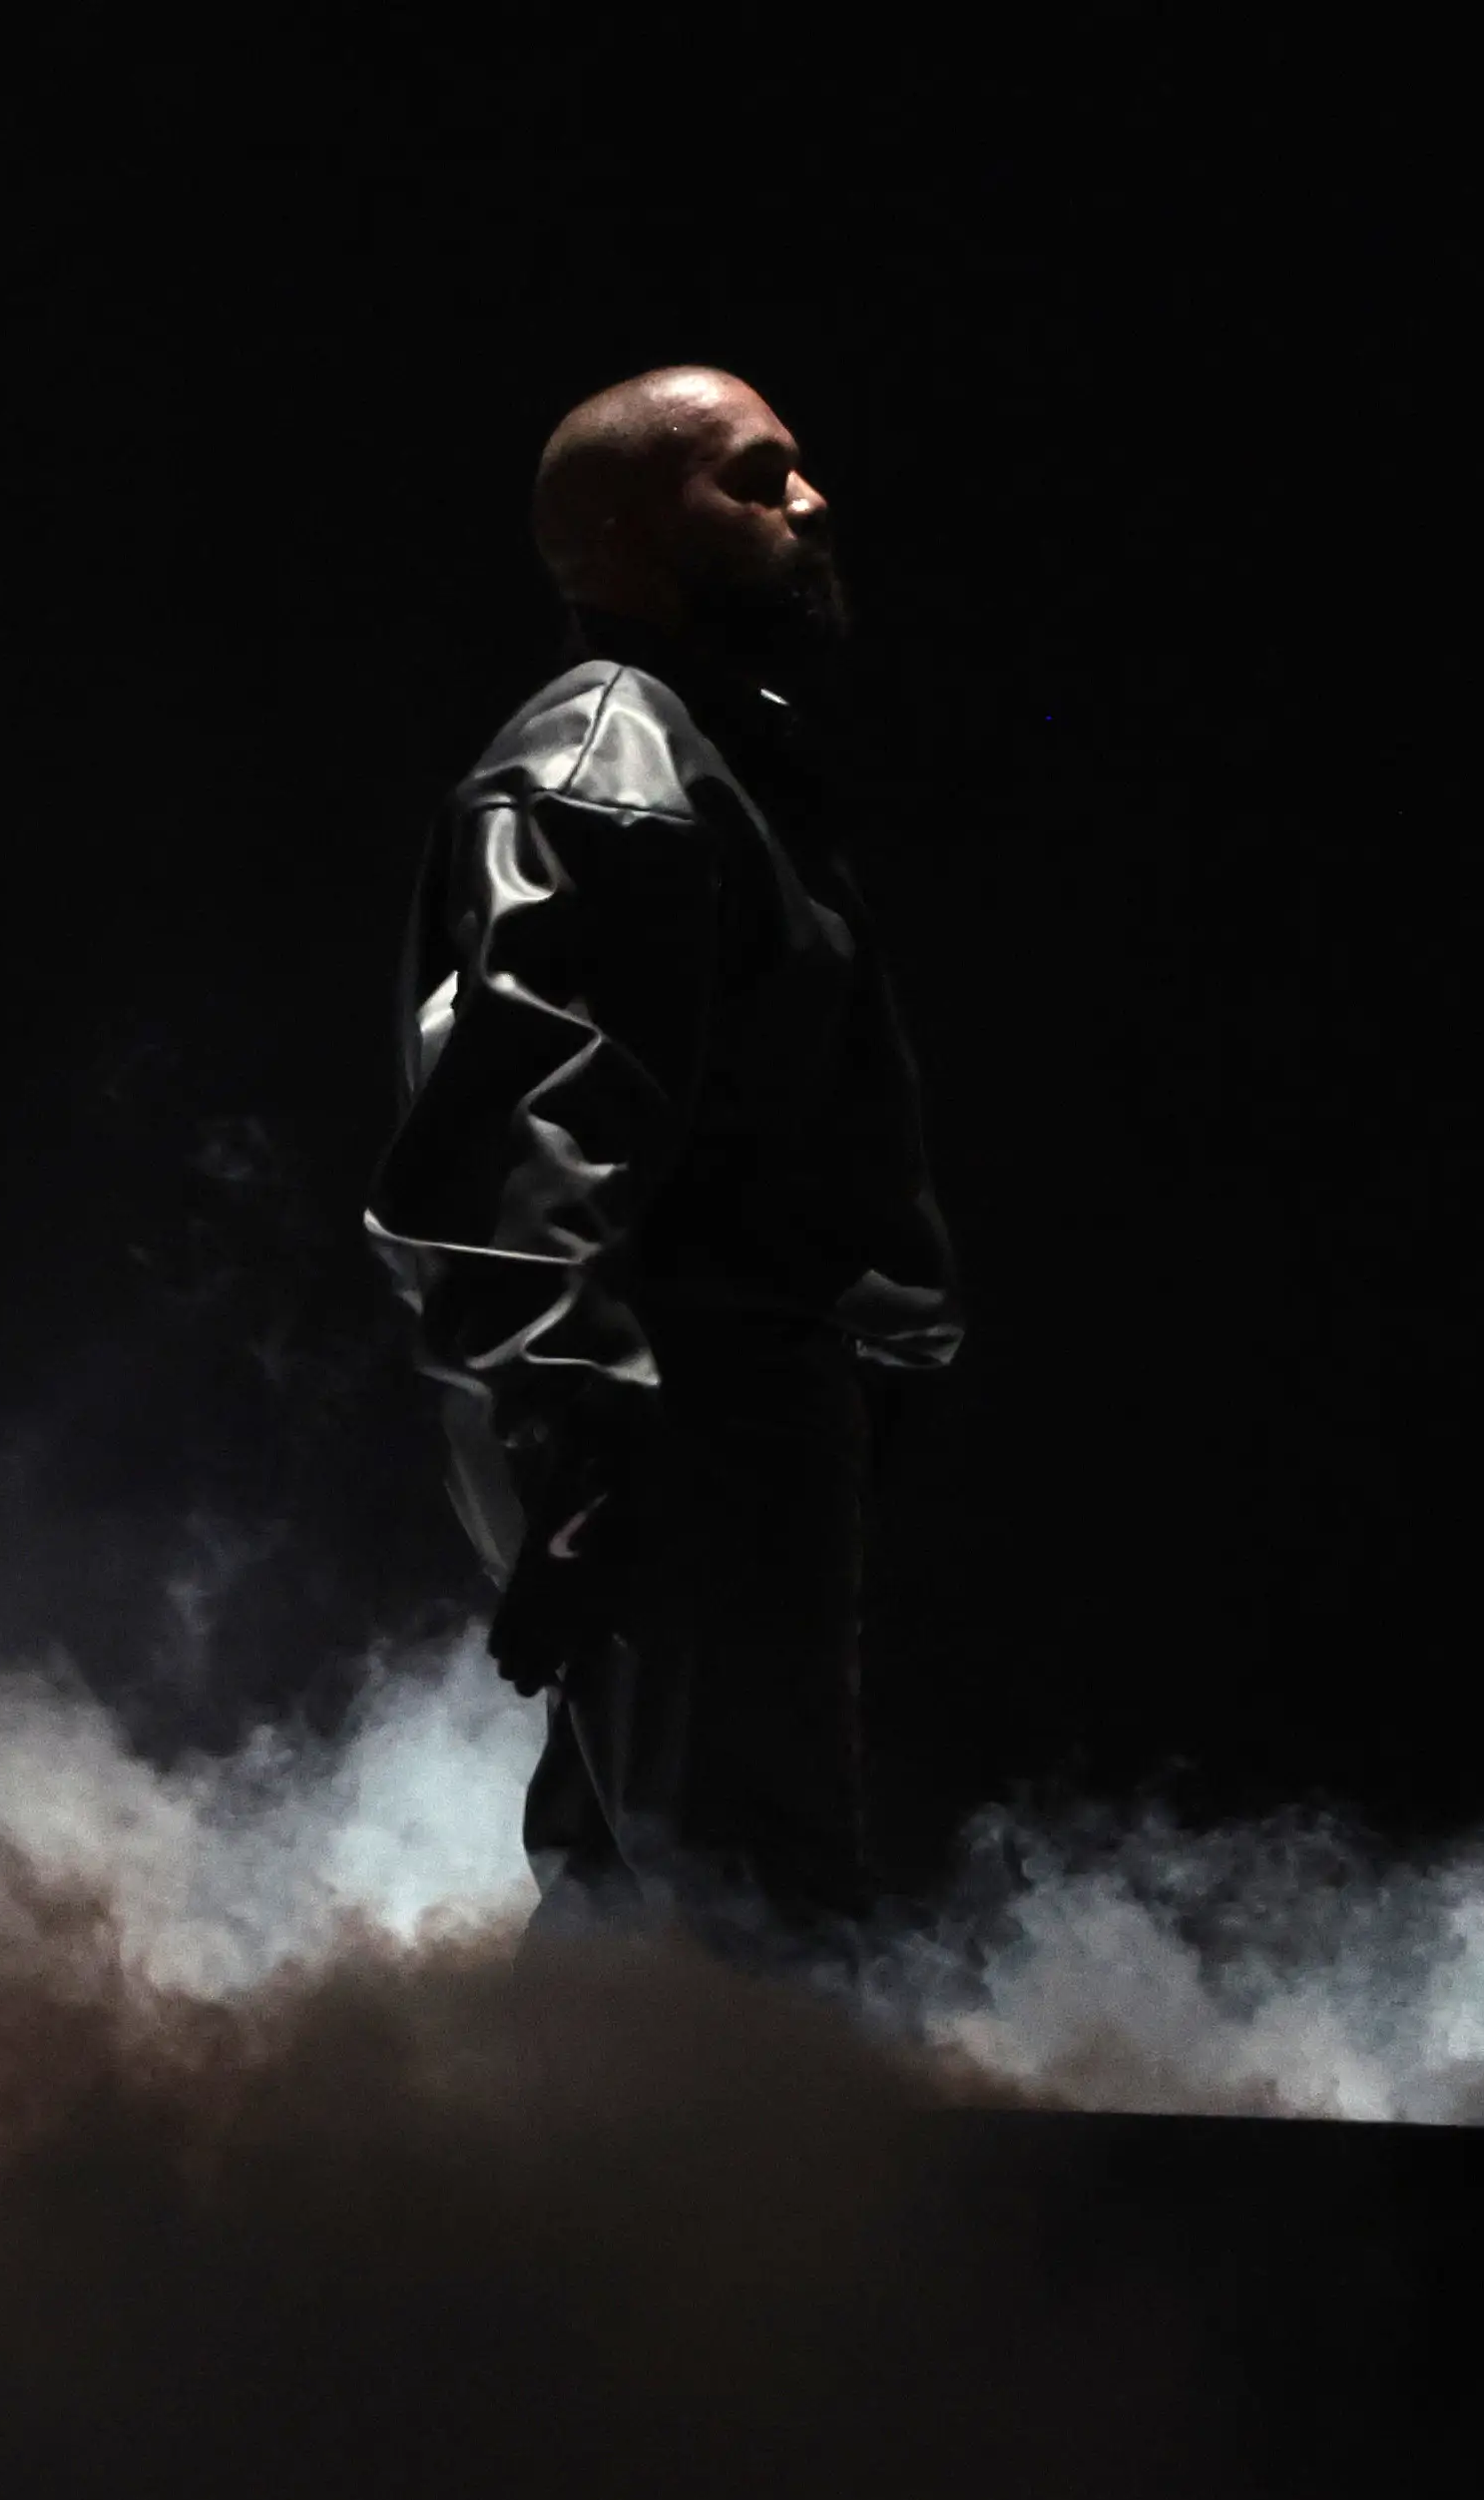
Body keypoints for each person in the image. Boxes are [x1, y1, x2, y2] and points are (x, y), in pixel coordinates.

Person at [364, 367, 962, 1944]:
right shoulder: (609, 771)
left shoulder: (710, 763)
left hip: (720, 1453)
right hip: (684, 1452)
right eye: (758, 482)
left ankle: (474, 2187)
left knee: (650, 1942)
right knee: (745, 1945)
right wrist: (581, 1477)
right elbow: (523, 1149)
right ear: (627, 533)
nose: (812, 506)